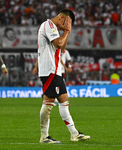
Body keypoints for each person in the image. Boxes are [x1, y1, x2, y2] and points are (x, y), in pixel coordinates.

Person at [37, 9, 90, 143]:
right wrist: (67, 31)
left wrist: (66, 31)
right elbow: (59, 43)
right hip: (50, 70)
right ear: (61, 18)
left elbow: (62, 47)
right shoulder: (48, 25)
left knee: (56, 101)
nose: (65, 27)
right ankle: (64, 135)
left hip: (55, 70)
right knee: (55, 102)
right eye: (65, 23)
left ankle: (70, 134)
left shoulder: (54, 29)